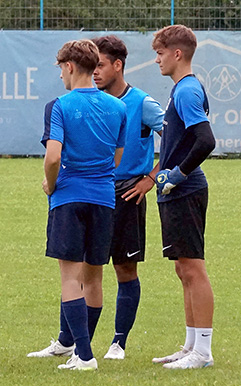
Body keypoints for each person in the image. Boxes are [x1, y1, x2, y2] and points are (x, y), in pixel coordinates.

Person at [28, 39, 126, 371]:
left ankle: (83, 356)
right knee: (94, 277)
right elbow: (117, 156)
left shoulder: (60, 105)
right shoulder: (118, 107)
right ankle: (81, 350)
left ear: (70, 66)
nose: (59, 77)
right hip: (104, 198)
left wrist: (51, 184)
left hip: (69, 197)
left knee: (70, 278)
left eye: (60, 69)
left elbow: (53, 156)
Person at [90, 35, 164, 360]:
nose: (93, 72)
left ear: (117, 65)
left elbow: (180, 138)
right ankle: (75, 343)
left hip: (127, 195)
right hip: (93, 192)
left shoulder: (143, 103)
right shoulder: (91, 101)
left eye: (100, 65)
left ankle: (118, 343)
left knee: (124, 270)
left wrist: (151, 178)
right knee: (83, 270)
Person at [150, 24, 216, 369]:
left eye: (160, 54)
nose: (157, 60)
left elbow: (206, 141)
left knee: (193, 268)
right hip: (175, 192)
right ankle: (191, 345)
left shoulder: (188, 90)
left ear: (177, 54)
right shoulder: (180, 90)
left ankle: (203, 353)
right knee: (182, 268)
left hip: (187, 190)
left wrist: (178, 174)